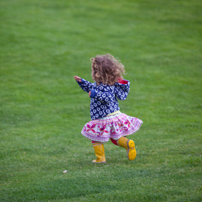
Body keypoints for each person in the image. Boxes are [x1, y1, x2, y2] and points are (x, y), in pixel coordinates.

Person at [74, 54, 143, 163]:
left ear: (97, 72)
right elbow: (91, 88)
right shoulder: (103, 84)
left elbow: (108, 97)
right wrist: (81, 82)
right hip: (114, 115)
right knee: (115, 139)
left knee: (95, 136)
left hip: (105, 117)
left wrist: (95, 94)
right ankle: (127, 143)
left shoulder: (105, 86)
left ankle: (100, 158)